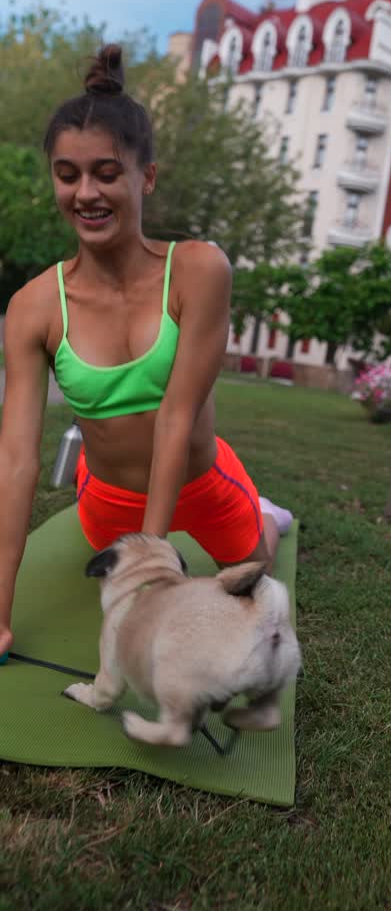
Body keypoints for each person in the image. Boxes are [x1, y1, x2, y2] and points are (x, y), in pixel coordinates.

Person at [0, 44, 292, 661]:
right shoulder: (34, 305)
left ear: (146, 177)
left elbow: (175, 419)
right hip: (108, 495)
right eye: (67, 174)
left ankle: (264, 511)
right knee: (115, 579)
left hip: (199, 475)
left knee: (250, 573)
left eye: (107, 172)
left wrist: (153, 570)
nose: (85, 193)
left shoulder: (197, 270)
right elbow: (17, 462)